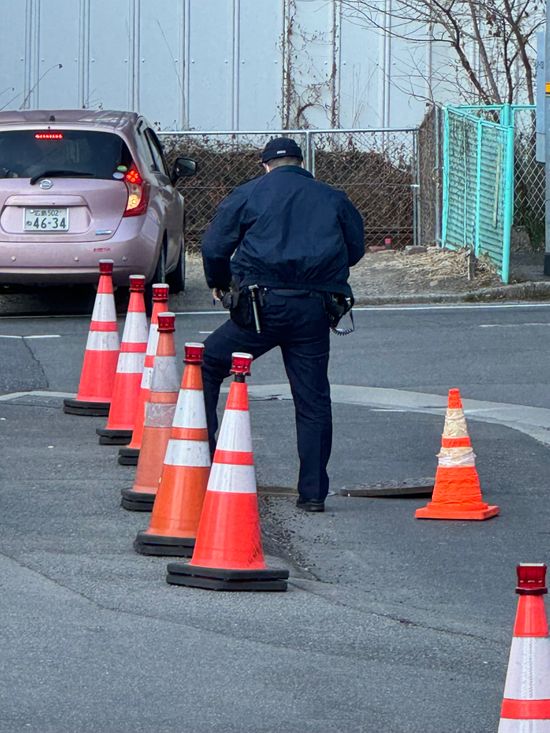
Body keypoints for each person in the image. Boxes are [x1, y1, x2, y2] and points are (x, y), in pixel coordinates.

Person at [201, 137, 364, 512]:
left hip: (259, 309)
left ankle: (205, 461)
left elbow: (214, 248)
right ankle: (312, 493)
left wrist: (220, 283)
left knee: (206, 364)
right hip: (313, 309)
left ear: (265, 165)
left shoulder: (249, 194)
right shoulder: (331, 197)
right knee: (312, 399)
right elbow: (354, 248)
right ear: (301, 162)